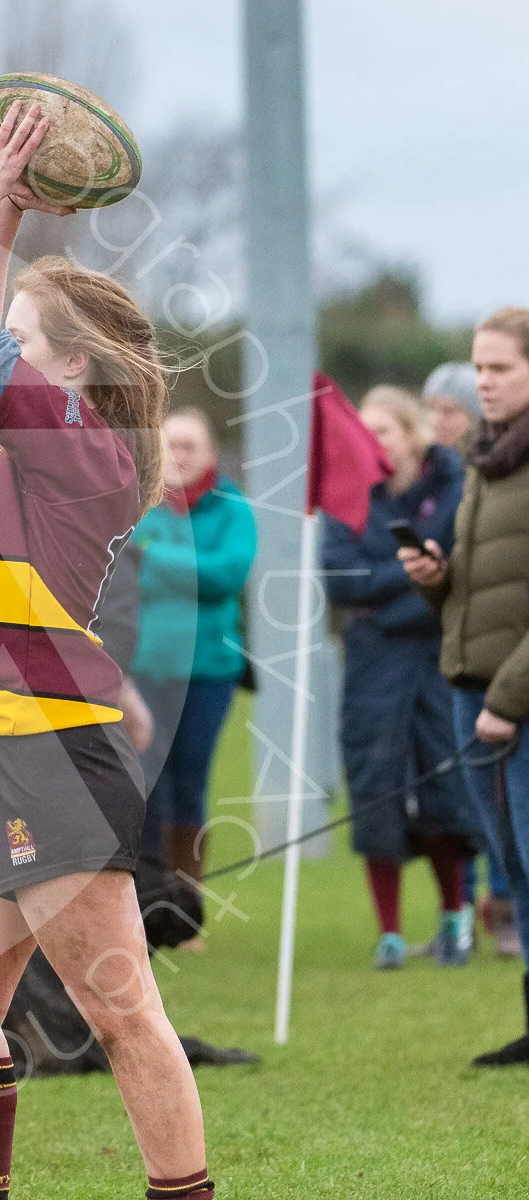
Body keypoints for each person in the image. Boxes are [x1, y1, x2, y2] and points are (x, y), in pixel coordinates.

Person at [0, 101, 214, 1200]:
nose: (2, 339)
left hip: (50, 749)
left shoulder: (83, 450)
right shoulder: (34, 446)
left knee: (122, 1013)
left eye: (24, 333)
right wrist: (1, 215)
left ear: (73, 371)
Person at [402, 306, 529, 1067]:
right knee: (513, 868)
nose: (484, 380)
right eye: (478, 367)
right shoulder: (489, 457)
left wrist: (506, 703)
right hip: (474, 694)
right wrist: (434, 582)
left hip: (507, 704)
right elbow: (485, 601)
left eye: (500, 368)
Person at [322, 387, 476, 969]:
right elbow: (340, 582)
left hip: (439, 662)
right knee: (375, 786)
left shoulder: (455, 488)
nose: (373, 442)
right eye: (365, 432)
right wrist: (414, 576)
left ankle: (454, 918)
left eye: (384, 430)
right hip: (371, 668)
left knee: (447, 789)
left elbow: (456, 573)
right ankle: (389, 933)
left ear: (412, 434)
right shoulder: (350, 497)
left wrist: (388, 597)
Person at [131, 408, 256, 917]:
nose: (179, 456)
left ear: (210, 453)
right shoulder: (138, 505)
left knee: (190, 783)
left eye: (190, 446)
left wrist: (154, 559)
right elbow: (118, 570)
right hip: (139, 673)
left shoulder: (233, 509)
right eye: (171, 445)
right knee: (142, 783)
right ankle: (147, 901)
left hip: (207, 674)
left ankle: (186, 906)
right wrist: (185, 572)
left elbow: (224, 576)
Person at [423, 361, 482, 455]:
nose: (436, 420)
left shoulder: (489, 463)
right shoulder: (420, 462)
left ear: (474, 417)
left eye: (448, 411)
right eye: (432, 408)